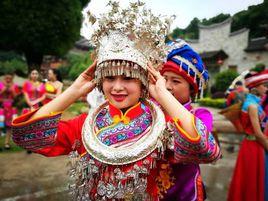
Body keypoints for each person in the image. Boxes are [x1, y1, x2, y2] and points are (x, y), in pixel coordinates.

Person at [12, 2, 221, 200]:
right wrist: (73, 91)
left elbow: (206, 150)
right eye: (110, 78)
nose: (117, 87)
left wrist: (163, 94)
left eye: (128, 78)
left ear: (143, 83)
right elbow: (29, 138)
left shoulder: (162, 126)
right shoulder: (86, 125)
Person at [228, 71, 268, 201]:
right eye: (265, 85)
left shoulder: (254, 103)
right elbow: (258, 134)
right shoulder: (252, 106)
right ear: (255, 87)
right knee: (251, 180)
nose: (267, 89)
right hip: (253, 146)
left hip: (252, 145)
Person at [0, 72, 20, 149]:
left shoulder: (15, 86)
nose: (8, 80)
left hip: (11, 108)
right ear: (4, 78)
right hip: (2, 108)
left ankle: (7, 143)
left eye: (10, 78)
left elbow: (16, 98)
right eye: (6, 78)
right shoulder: (0, 85)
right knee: (0, 125)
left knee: (9, 126)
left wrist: (12, 90)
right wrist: (3, 90)